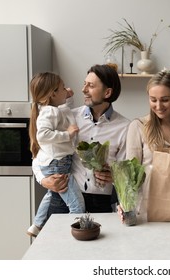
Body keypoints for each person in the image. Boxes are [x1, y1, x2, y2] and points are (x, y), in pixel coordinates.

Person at [32, 64, 130, 216]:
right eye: (84, 84)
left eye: (90, 86)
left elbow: (128, 173)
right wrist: (43, 180)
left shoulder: (125, 127)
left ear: (107, 92)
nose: (83, 90)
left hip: (101, 204)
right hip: (64, 197)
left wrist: (115, 176)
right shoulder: (67, 117)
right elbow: (40, 155)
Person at [118, 71, 170, 219]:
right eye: (153, 99)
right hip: (148, 209)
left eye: (165, 100)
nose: (158, 106)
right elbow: (130, 174)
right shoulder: (138, 127)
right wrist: (125, 204)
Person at [27, 72, 85, 237]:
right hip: (58, 164)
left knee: (52, 194)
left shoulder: (49, 109)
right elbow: (43, 135)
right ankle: (74, 235)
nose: (67, 89)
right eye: (62, 88)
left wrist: (68, 98)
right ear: (53, 94)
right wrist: (67, 135)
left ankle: (36, 225)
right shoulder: (50, 112)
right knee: (77, 207)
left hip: (55, 163)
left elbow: (64, 113)